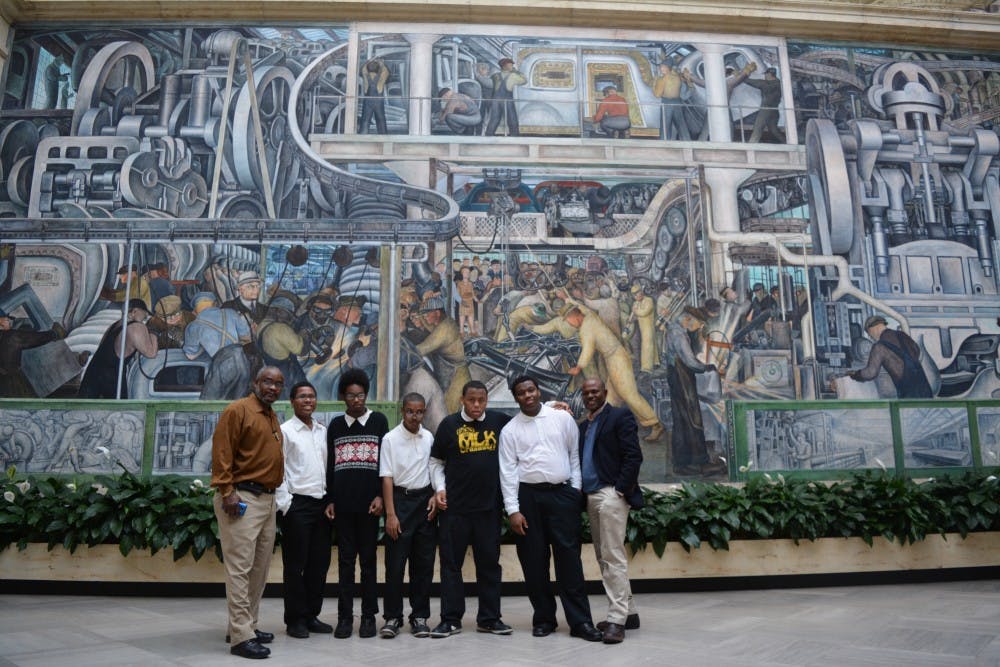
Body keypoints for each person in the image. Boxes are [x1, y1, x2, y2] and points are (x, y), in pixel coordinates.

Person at [499, 375, 602, 642]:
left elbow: (574, 455)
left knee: (570, 561)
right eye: (521, 393)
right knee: (534, 562)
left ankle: (580, 622)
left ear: (538, 391)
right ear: (516, 397)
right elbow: (507, 472)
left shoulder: (562, 418)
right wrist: (513, 510)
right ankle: (544, 619)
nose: (528, 396)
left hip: (562, 495)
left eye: (531, 390)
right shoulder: (510, 430)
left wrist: (575, 490)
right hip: (528, 499)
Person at [426, 380, 513, 638]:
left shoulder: (499, 422)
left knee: (489, 565)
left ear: (486, 400)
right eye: (471, 400)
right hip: (455, 510)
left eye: (481, 400)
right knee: (451, 565)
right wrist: (440, 488)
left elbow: (526, 420)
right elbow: (435, 462)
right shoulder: (449, 425)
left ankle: (489, 619)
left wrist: (553, 406)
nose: (476, 405)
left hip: (488, 509)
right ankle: (450, 620)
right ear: (462, 400)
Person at [211, 366, 286, 660]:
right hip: (241, 497)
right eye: (268, 382)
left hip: (267, 500)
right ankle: (241, 637)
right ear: (255, 382)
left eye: (278, 384)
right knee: (240, 569)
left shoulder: (270, 415)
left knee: (259, 568)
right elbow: (221, 453)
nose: (273, 388)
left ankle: (246, 626)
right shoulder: (238, 410)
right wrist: (227, 492)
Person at [578, 378, 643, 644]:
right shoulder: (584, 425)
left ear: (604, 393)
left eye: (595, 391)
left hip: (611, 494)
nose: (590, 396)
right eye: (586, 393)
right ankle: (630, 613)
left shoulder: (619, 416)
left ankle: (616, 620)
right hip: (591, 496)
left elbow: (633, 455)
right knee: (603, 557)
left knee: (612, 557)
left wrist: (620, 490)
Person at [325, 368, 388, 639]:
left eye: (360, 395)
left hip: (369, 507)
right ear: (343, 397)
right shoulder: (336, 426)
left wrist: (380, 496)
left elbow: (385, 464)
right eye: (351, 396)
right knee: (345, 563)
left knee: (369, 563)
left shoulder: (379, 421)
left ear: (366, 395)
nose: (356, 400)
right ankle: (345, 618)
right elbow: (330, 466)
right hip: (343, 507)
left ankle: (369, 617)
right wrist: (330, 499)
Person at [274, 381, 333, 640]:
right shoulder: (285, 431)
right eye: (302, 397)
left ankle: (311, 615)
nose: (308, 400)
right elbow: (278, 469)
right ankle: (295, 619)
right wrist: (286, 504)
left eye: (311, 396)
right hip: (297, 505)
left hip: (322, 505)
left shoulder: (322, 430)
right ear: (292, 401)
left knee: (319, 564)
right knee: (295, 565)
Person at [378, 392, 438, 639]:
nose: (415, 416)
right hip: (400, 503)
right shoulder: (390, 439)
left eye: (420, 411)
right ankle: (392, 617)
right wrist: (391, 515)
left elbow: (434, 468)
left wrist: (434, 494)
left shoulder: (429, 437)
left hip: (425, 504)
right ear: (402, 411)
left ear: (424, 412)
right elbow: (386, 478)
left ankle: (420, 617)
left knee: (423, 565)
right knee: (395, 565)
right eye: (410, 411)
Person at [665, 307, 717, 475]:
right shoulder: (679, 334)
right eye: (699, 324)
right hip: (681, 379)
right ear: (688, 319)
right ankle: (698, 463)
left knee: (681, 420)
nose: (698, 328)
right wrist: (707, 368)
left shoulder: (674, 329)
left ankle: (683, 463)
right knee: (692, 419)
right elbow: (690, 362)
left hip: (677, 377)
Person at [78, 299, 158, 399]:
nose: (144, 319)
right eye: (144, 316)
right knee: (118, 409)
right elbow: (151, 353)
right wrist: (154, 330)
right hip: (112, 380)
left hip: (92, 376)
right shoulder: (136, 327)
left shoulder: (114, 325)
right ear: (134, 311)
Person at [849, 315, 933, 398]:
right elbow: (917, 351)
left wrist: (855, 374)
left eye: (870, 334)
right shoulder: (902, 335)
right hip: (926, 391)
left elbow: (871, 373)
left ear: (873, 328)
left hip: (908, 396)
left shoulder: (879, 347)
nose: (871, 338)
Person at [742, 64, 784, 143]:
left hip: (766, 110)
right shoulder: (779, 83)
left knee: (758, 128)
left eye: (766, 74)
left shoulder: (766, 84)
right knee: (774, 130)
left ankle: (752, 145)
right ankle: (786, 142)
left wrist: (741, 75)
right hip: (775, 110)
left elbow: (750, 82)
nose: (765, 76)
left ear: (769, 74)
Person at [485, 58, 526, 137]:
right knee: (512, 118)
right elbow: (524, 80)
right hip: (508, 99)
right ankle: (514, 136)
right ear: (504, 66)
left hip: (496, 100)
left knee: (494, 119)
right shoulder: (513, 75)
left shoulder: (495, 76)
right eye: (510, 65)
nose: (512, 67)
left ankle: (488, 135)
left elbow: (490, 86)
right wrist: (517, 72)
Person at [653, 62, 690, 140]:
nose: (661, 69)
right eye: (660, 67)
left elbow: (657, 95)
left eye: (663, 67)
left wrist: (654, 82)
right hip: (677, 102)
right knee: (681, 125)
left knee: (665, 126)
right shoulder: (678, 77)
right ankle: (687, 141)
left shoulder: (662, 79)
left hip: (667, 103)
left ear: (668, 67)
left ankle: (664, 143)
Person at [359, 58, 390, 134]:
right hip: (378, 101)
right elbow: (386, 72)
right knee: (381, 120)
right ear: (378, 69)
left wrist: (368, 61)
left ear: (368, 68)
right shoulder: (381, 76)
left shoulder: (365, 75)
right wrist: (382, 64)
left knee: (365, 120)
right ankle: (383, 136)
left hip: (367, 101)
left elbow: (362, 69)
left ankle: (362, 136)